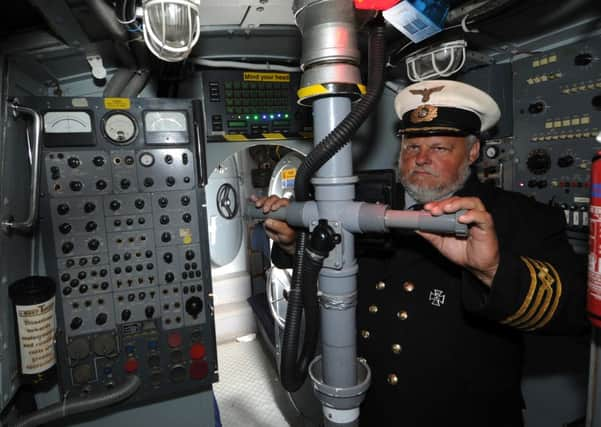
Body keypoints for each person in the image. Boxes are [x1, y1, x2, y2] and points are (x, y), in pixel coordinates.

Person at [254, 80, 588, 427]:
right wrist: (295, 243)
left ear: (473, 153)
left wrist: (492, 269)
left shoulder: (519, 217)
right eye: (412, 146)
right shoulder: (370, 211)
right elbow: (333, 268)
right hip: (372, 410)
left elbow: (576, 308)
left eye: (440, 148)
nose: (421, 159)